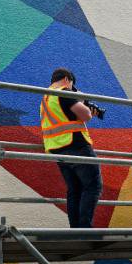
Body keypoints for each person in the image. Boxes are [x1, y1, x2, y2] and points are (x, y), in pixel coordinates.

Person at [40, 68, 102, 228]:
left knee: (75, 189)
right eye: (72, 85)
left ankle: (75, 229)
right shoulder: (64, 92)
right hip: (75, 144)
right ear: (67, 79)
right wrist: (89, 111)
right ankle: (85, 229)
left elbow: (62, 117)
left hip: (57, 148)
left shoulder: (46, 97)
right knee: (93, 185)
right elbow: (85, 115)